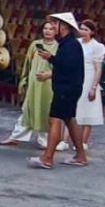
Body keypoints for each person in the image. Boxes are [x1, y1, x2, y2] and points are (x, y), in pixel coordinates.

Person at [29, 12, 88, 169]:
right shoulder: (67, 44)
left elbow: (67, 66)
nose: (53, 27)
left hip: (66, 88)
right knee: (69, 119)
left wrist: (52, 59)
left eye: (56, 24)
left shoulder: (71, 45)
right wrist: (51, 58)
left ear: (64, 26)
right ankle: (80, 155)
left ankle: (48, 158)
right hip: (69, 88)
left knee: (55, 120)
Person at [0, 21, 58, 149]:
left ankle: (45, 141)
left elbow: (63, 67)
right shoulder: (35, 45)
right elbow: (28, 64)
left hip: (49, 84)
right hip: (34, 82)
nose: (47, 31)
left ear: (56, 31)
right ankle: (15, 137)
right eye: (45, 28)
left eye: (51, 29)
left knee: (45, 111)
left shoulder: (58, 47)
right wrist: (24, 80)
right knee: (28, 109)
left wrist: (50, 74)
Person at [75, 20, 105, 148]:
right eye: (81, 29)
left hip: (90, 77)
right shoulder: (76, 43)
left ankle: (83, 141)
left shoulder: (97, 46)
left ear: (92, 32)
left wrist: (94, 86)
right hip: (77, 76)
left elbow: (98, 68)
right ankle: (66, 139)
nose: (83, 32)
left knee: (88, 109)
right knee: (75, 109)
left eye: (86, 30)